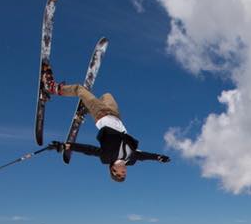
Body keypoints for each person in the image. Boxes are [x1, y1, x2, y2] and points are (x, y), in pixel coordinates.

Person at [41, 67, 170, 181]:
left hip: (100, 114)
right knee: (107, 95)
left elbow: (89, 150)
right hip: (115, 114)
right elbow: (144, 156)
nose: (124, 173)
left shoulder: (106, 157)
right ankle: (85, 108)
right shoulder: (132, 159)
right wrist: (159, 157)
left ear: (113, 170)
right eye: (124, 175)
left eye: (120, 175)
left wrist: (65, 146)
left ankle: (50, 87)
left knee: (79, 89)